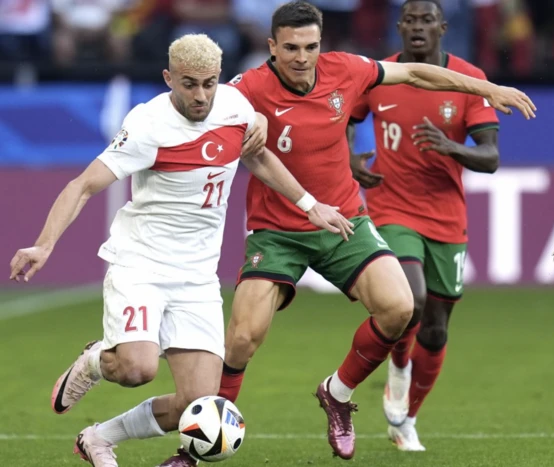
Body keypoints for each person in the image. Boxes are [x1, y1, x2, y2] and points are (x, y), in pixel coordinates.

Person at [8, 34, 353, 467]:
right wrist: (44, 244)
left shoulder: (234, 107)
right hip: (142, 264)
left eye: (209, 83)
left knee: (199, 403)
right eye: (189, 84)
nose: (201, 95)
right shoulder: (147, 125)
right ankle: (96, 360)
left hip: (197, 277)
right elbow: (83, 186)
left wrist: (309, 204)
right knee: (137, 369)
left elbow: (259, 157)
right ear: (168, 77)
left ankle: (97, 439)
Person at [218, 0, 535, 460]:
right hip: (277, 229)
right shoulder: (247, 88)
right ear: (272, 46)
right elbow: (203, 109)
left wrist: (487, 87)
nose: (302, 58)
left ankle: (338, 393)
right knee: (244, 338)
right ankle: (213, 425)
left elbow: (418, 75)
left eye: (310, 46)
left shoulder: (346, 70)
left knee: (401, 307)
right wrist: (246, 117)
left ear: (321, 44)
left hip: (344, 220)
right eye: (290, 48)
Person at [348, 0, 501, 451]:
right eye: (410, 20)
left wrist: (449, 147)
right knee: (409, 299)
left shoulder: (467, 80)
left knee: (435, 329)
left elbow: (490, 157)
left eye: (426, 20)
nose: (417, 27)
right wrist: (351, 159)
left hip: (447, 216)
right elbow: (341, 120)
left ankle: (406, 418)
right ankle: (398, 364)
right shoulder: (379, 75)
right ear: (399, 27)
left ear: (442, 28)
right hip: (391, 207)